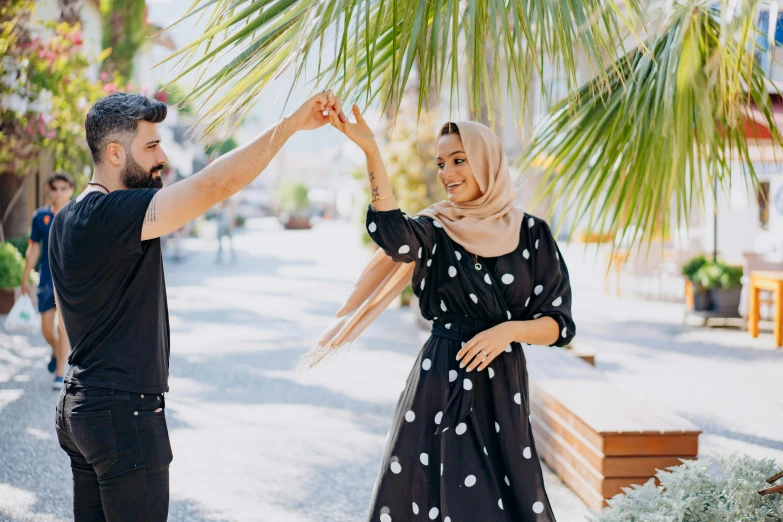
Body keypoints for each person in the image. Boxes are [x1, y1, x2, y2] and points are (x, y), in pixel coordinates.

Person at [49, 90, 344, 522]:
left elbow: (65, 316)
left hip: (78, 408)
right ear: (115, 152)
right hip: (121, 413)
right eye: (151, 146)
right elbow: (214, 185)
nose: (163, 156)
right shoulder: (115, 213)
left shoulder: (64, 220)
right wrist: (294, 122)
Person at [310, 105, 576, 521]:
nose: (447, 172)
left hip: (502, 388)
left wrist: (505, 332)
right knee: (429, 495)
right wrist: (370, 151)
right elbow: (395, 238)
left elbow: (559, 325)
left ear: (487, 162)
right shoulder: (436, 228)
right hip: (440, 380)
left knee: (500, 502)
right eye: (440, 163)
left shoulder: (533, 234)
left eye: (459, 159)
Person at [21, 172, 74, 389]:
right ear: (49, 191)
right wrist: (25, 278)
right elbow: (33, 249)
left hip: (70, 279)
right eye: (55, 188)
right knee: (46, 330)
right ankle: (57, 352)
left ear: (70, 190)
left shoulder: (77, 213)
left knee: (63, 328)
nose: (59, 192)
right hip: (46, 278)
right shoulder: (40, 217)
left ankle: (60, 371)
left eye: (63, 188)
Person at [215, 198, 236, 263]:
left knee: (230, 242)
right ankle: (219, 257)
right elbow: (217, 218)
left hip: (227, 227)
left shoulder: (228, 209)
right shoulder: (219, 209)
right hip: (221, 228)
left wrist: (231, 226)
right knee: (220, 244)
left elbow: (231, 219)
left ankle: (233, 255)